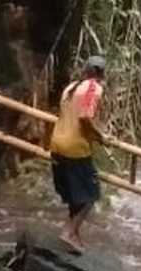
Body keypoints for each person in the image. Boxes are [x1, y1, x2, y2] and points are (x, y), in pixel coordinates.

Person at [49, 55, 107, 252]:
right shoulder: (93, 88)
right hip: (74, 150)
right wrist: (100, 136)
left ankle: (74, 235)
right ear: (100, 73)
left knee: (75, 196)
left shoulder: (71, 87)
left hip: (57, 145)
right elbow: (85, 117)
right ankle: (68, 232)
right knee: (91, 196)